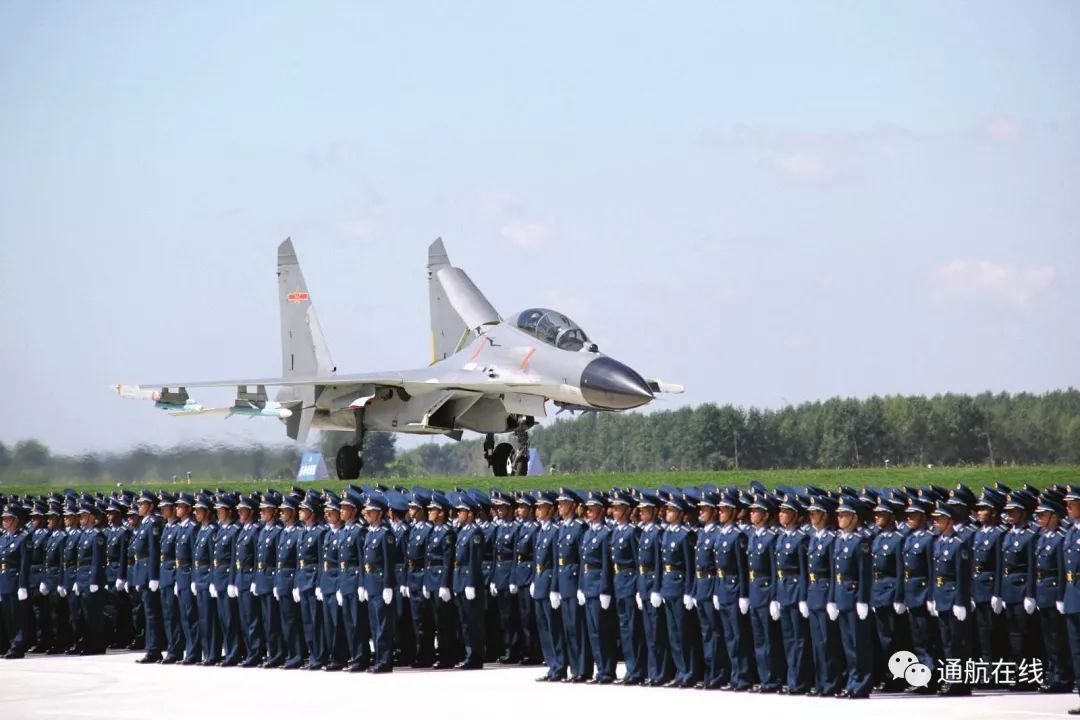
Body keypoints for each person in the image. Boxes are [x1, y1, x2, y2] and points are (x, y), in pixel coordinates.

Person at [830, 496, 873, 699]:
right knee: (848, 644)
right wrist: (832, 599)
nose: (839, 518)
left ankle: (862, 683)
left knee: (859, 644)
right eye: (838, 515)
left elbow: (865, 573)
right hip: (842, 596)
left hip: (855, 596)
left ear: (854, 518)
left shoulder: (860, 542)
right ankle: (852, 681)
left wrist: (863, 599)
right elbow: (834, 573)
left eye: (844, 515)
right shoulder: (839, 540)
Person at [930, 502, 973, 696]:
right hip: (941, 596)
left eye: (940, 519)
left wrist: (960, 601)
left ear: (949, 521)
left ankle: (961, 681)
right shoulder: (938, 542)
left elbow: (962, 576)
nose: (936, 522)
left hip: (954, 597)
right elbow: (934, 573)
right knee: (946, 642)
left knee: (958, 642)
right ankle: (952, 678)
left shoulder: (959, 544)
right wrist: (933, 597)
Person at [901, 496, 940, 694]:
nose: (909, 519)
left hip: (923, 592)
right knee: (917, 638)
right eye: (907, 515)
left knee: (927, 637)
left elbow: (933, 570)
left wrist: (931, 596)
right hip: (911, 592)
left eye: (913, 515)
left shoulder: (929, 539)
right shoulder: (909, 538)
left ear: (923, 517)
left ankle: (931, 677)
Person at [775, 493, 812, 694]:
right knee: (788, 639)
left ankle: (801, 681)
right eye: (780, 512)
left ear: (795, 515)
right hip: (783, 590)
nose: (781, 515)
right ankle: (792, 679)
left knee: (799, 640)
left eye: (786, 512)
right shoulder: (782, 537)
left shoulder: (801, 539)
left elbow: (804, 571)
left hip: (796, 590)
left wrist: (803, 596)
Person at [1033, 496, 1071, 693]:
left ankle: (1062, 678)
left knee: (1058, 638)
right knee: (1049, 639)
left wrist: (1060, 596)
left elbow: (1062, 570)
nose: (1039, 518)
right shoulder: (1042, 537)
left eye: (1043, 515)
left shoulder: (1060, 538)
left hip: (1054, 592)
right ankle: (1054, 674)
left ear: (1054, 517)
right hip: (1042, 593)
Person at [636, 491, 673, 686]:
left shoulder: (658, 533)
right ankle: (653, 671)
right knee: (649, 633)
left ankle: (661, 672)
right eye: (640, 510)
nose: (641, 513)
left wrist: (657, 588)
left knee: (658, 633)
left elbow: (659, 563)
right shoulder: (646, 532)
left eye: (645, 510)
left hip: (653, 585)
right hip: (644, 584)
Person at [609, 490, 646, 686]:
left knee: (633, 628)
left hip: (630, 581)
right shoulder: (616, 531)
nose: (614, 511)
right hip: (619, 582)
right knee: (624, 628)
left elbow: (639, 563)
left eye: (617, 508)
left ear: (626, 510)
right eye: (613, 508)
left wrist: (639, 588)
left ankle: (637, 669)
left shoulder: (633, 532)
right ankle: (631, 668)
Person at [580, 490, 616, 684]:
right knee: (593, 631)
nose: (588, 513)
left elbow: (605, 564)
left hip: (598, 585)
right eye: (588, 510)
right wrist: (581, 587)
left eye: (592, 510)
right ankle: (600, 669)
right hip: (587, 584)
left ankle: (608, 670)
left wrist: (604, 589)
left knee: (603, 631)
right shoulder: (587, 533)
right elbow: (582, 562)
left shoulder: (605, 534)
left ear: (601, 511)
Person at [532, 490, 567, 682]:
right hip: (539, 582)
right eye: (537, 507)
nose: (538, 510)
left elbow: (554, 562)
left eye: (542, 507)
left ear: (550, 509)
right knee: (543, 628)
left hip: (549, 582)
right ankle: (551, 664)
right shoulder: (542, 530)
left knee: (554, 627)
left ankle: (560, 665)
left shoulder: (554, 531)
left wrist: (554, 588)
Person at [362, 493, 397, 673]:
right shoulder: (371, 534)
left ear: (379, 513)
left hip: (381, 583)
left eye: (370, 512)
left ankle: (385, 660)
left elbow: (388, 563)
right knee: (375, 624)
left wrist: (388, 586)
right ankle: (378, 659)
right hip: (371, 583)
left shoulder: (385, 535)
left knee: (383, 625)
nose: (366, 514)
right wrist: (364, 584)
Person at [336, 489, 370, 672]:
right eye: (341, 508)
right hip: (345, 580)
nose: (341, 511)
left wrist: (362, 584)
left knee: (358, 623)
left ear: (354, 510)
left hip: (355, 579)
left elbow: (362, 559)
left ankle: (361, 657)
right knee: (349, 621)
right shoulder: (344, 531)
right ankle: (354, 655)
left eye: (345, 508)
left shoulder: (359, 531)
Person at [424, 491, 458, 669]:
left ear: (442, 513)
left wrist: (445, 584)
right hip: (431, 579)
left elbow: (447, 560)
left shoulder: (447, 533)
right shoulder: (432, 531)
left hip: (441, 581)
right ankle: (441, 654)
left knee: (444, 622)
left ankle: (447, 656)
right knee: (436, 621)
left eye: (433, 509)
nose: (429, 512)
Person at [452, 493, 485, 669]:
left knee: (473, 621)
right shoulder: (463, 531)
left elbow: (474, 560)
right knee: (464, 621)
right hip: (460, 580)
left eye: (462, 512)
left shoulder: (475, 532)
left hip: (469, 582)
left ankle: (475, 656)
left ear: (470, 514)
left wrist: (470, 583)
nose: (459, 514)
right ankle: (469, 653)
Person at [131, 490, 163, 663]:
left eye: (142, 504)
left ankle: (154, 650)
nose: (139, 506)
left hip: (149, 574)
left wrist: (153, 576)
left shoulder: (153, 524)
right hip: (142, 574)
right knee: (147, 613)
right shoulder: (144, 524)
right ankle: (151, 647)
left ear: (150, 506)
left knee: (152, 614)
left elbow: (153, 551)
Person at [232, 494, 264, 667]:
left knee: (252, 619)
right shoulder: (243, 530)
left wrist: (254, 580)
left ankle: (256, 653)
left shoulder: (255, 530)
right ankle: (249, 652)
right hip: (241, 577)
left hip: (250, 577)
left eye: (242, 511)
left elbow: (257, 557)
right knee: (244, 618)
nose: (239, 514)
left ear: (251, 512)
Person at [274, 494, 304, 670]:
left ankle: (297, 655)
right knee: (285, 620)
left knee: (293, 620)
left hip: (291, 579)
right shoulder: (283, 532)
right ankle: (290, 653)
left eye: (285, 511)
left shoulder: (297, 533)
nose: (282, 514)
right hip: (282, 580)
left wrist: (296, 584)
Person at [173, 493, 202, 664]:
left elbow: (193, 557)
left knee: (191, 616)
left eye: (180, 506)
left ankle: (194, 652)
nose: (177, 508)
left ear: (188, 509)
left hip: (188, 574)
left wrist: (192, 579)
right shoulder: (180, 528)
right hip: (180, 575)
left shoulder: (192, 528)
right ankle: (188, 651)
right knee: (184, 616)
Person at [0, 503, 32, 658]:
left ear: (16, 520)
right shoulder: (3, 539)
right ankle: (12, 642)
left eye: (8, 519)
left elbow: (24, 564)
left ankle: (18, 646)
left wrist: (23, 586)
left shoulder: (22, 539)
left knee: (17, 615)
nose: (4, 521)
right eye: (3, 518)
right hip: (4, 581)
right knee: (8, 616)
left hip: (15, 581)